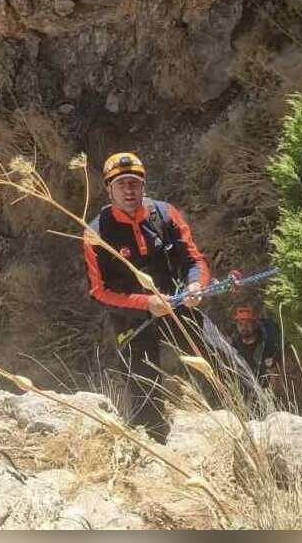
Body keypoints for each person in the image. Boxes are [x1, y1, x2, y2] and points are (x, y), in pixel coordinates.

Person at [81, 152, 210, 443]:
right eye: (121, 184)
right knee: (143, 387)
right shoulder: (96, 233)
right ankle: (153, 444)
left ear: (144, 186)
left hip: (177, 303)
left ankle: (248, 410)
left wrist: (195, 285)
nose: (129, 190)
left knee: (218, 356)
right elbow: (99, 292)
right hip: (132, 317)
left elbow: (194, 260)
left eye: (135, 183)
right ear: (108, 189)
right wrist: (145, 304)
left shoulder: (165, 214)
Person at [230, 304, 284, 395]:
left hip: (266, 393)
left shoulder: (267, 342)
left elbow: (275, 374)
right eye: (240, 324)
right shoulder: (234, 345)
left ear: (255, 324)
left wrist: (269, 397)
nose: (244, 327)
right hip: (245, 392)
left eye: (248, 323)